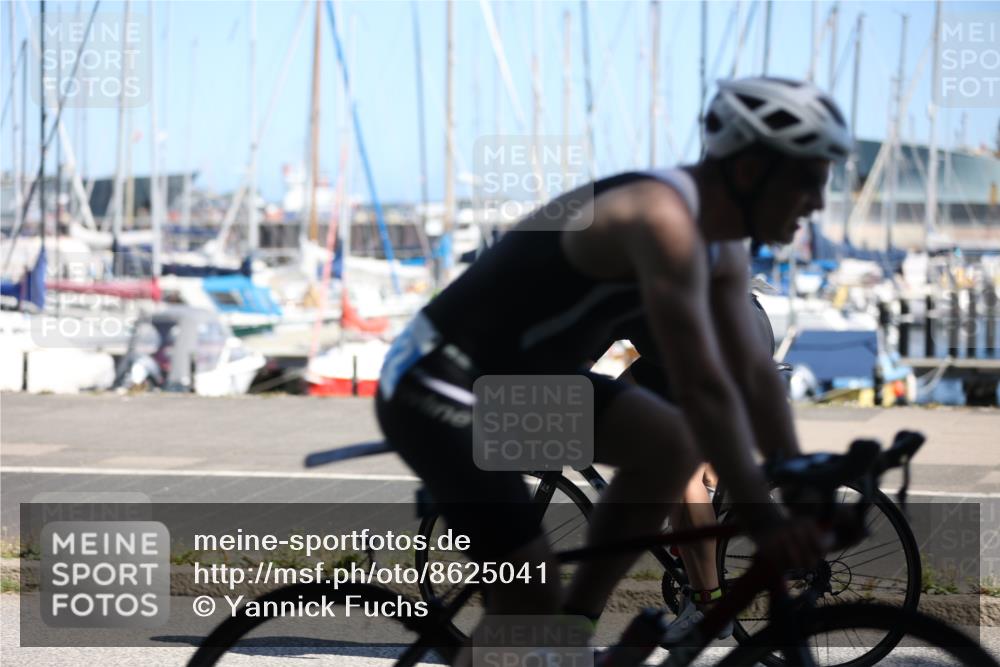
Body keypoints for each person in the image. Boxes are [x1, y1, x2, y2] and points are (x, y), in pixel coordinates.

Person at [375, 76, 851, 660]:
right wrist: (764, 515)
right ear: (752, 171)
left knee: (670, 446)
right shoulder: (661, 220)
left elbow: (752, 374)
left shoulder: (723, 240)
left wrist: (795, 474)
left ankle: (575, 629)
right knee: (529, 595)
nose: (819, 203)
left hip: (520, 385)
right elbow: (703, 388)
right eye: (808, 180)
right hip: (440, 386)